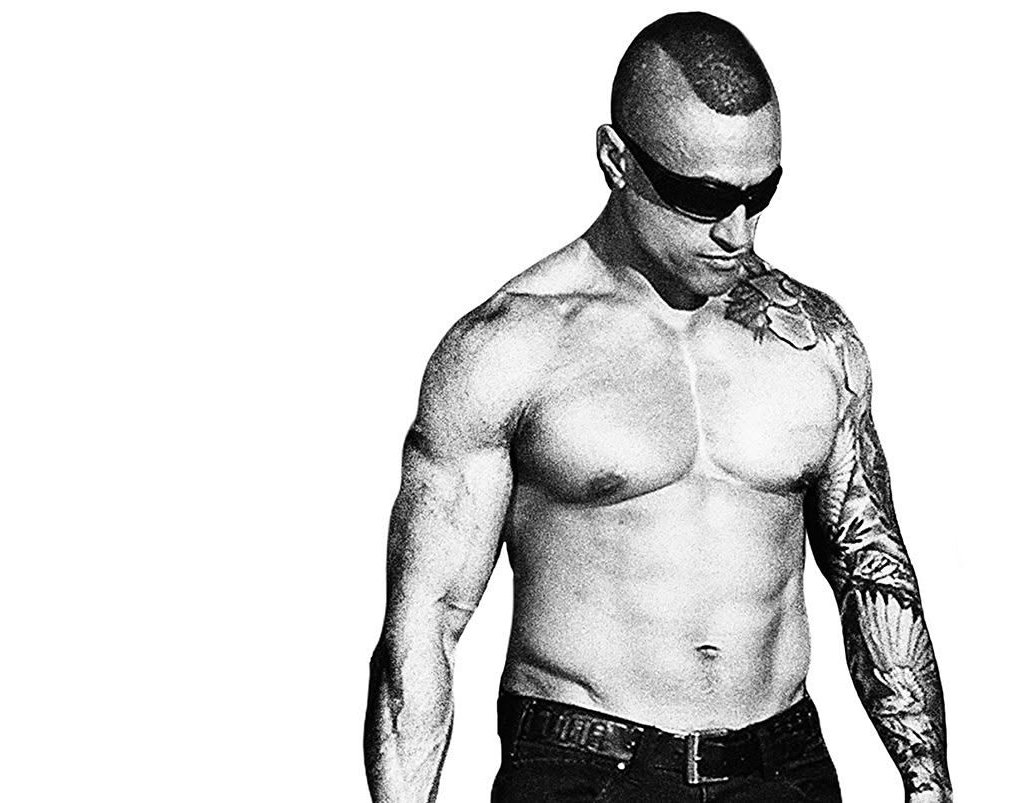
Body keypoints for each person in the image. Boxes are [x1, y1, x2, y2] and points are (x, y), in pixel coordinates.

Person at [365, 12, 952, 803]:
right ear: (616, 160)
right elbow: (425, 622)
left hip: (781, 767)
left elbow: (871, 567)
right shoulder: (510, 348)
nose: (737, 230)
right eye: (701, 197)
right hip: (586, 769)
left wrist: (927, 782)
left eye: (759, 192)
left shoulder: (814, 343)